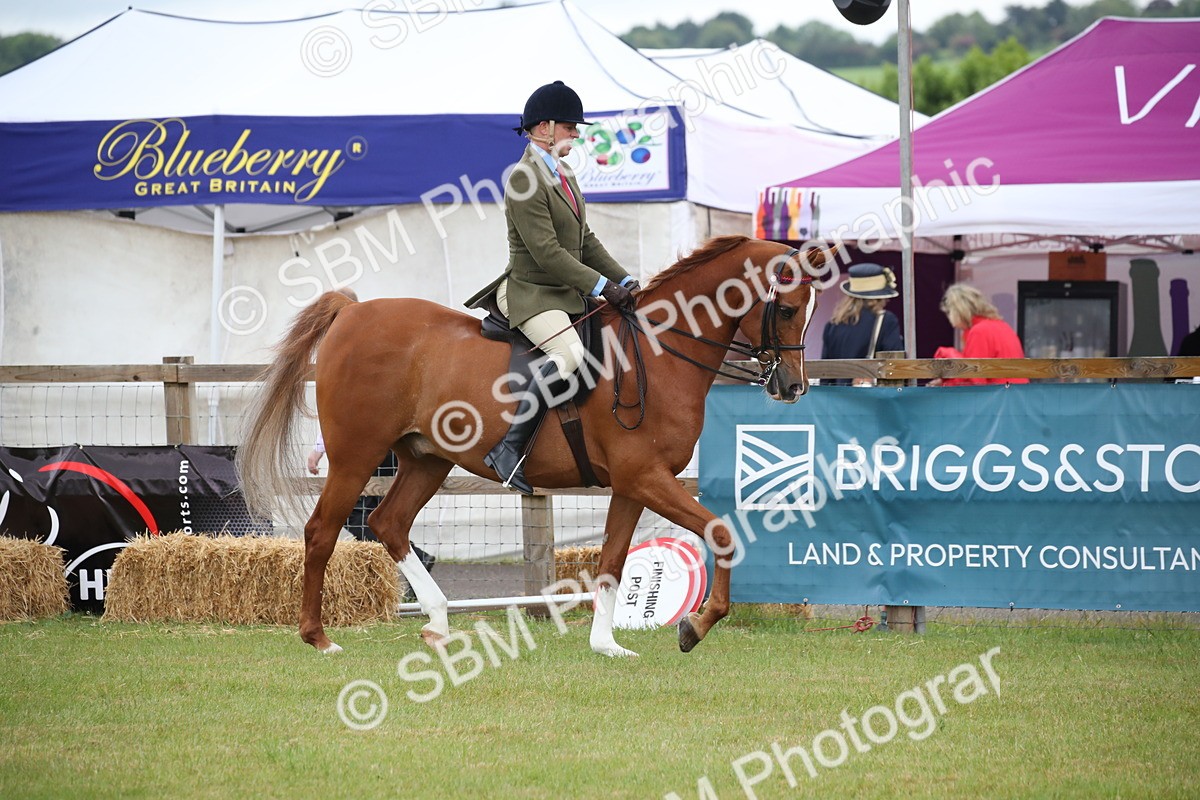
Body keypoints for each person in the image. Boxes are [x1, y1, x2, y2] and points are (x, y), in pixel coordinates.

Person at [464, 80, 639, 495]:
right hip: (531, 292)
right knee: (569, 353)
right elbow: (547, 253)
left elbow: (585, 241)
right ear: (544, 128)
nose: (576, 134)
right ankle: (509, 448)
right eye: (569, 127)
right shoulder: (524, 179)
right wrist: (602, 286)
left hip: (564, 292)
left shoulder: (564, 173)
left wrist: (624, 279)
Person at [821, 263, 904, 386]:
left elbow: (825, 375)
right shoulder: (887, 321)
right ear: (880, 296)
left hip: (837, 395)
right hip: (870, 395)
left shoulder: (832, 325)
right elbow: (895, 366)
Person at [933, 283, 1029, 386]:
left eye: (949, 312)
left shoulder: (979, 332)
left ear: (958, 310)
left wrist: (946, 383)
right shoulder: (1002, 325)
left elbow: (975, 379)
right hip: (1017, 391)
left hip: (1000, 392)